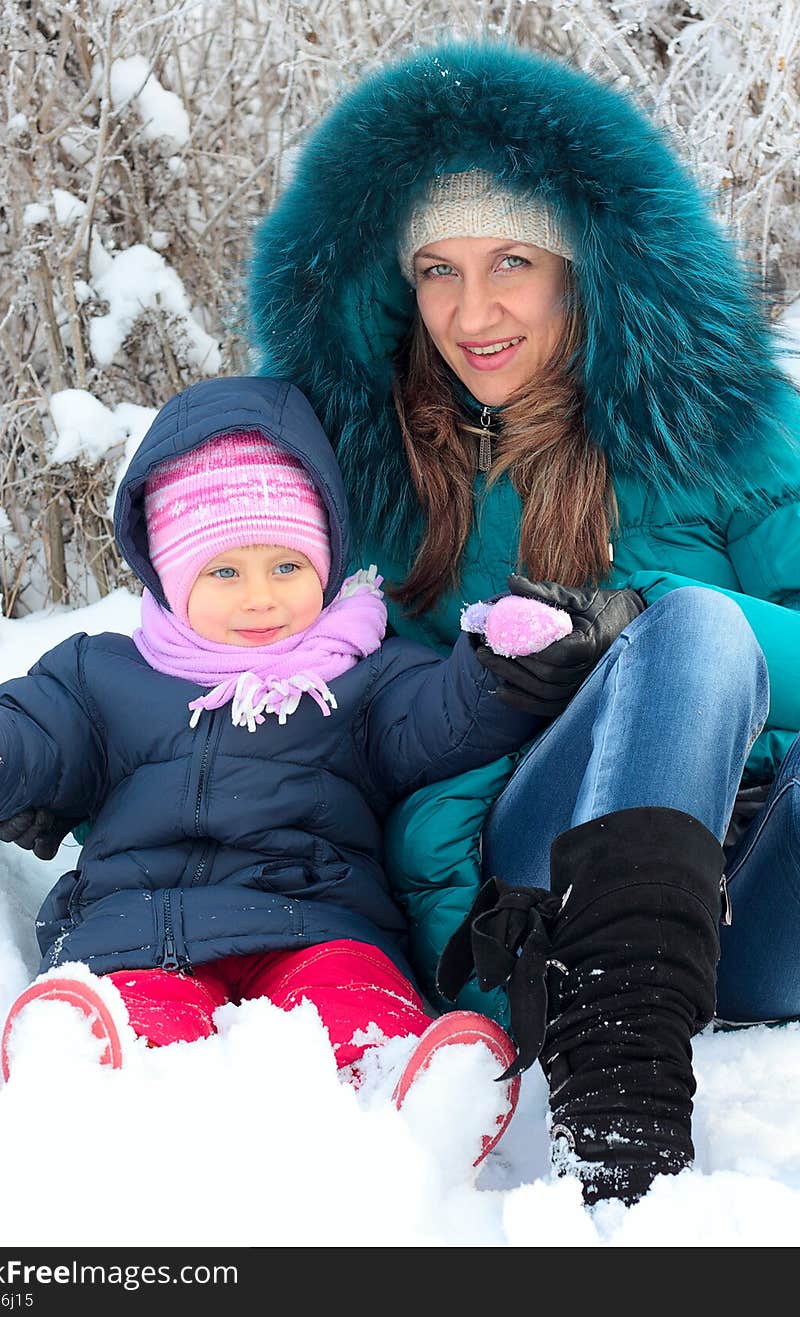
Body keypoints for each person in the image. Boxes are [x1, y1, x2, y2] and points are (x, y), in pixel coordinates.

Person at [243, 40, 800, 1204]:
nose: (474, 309)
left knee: (691, 627)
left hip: (751, 895)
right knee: (693, 629)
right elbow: (356, 720)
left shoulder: (728, 426)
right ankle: (620, 1115)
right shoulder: (376, 479)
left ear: (584, 269)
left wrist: (634, 624)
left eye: (511, 262)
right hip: (543, 897)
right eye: (438, 271)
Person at [0, 372, 569, 1167]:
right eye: (224, 572)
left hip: (318, 917)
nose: (261, 598)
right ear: (169, 573)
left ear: (326, 562)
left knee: (350, 995)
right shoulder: (106, 674)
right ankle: (101, 1080)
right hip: (139, 925)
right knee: (140, 1008)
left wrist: (497, 662)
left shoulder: (360, 674)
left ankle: (401, 1089)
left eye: (288, 567)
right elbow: (36, 726)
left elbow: (439, 720)